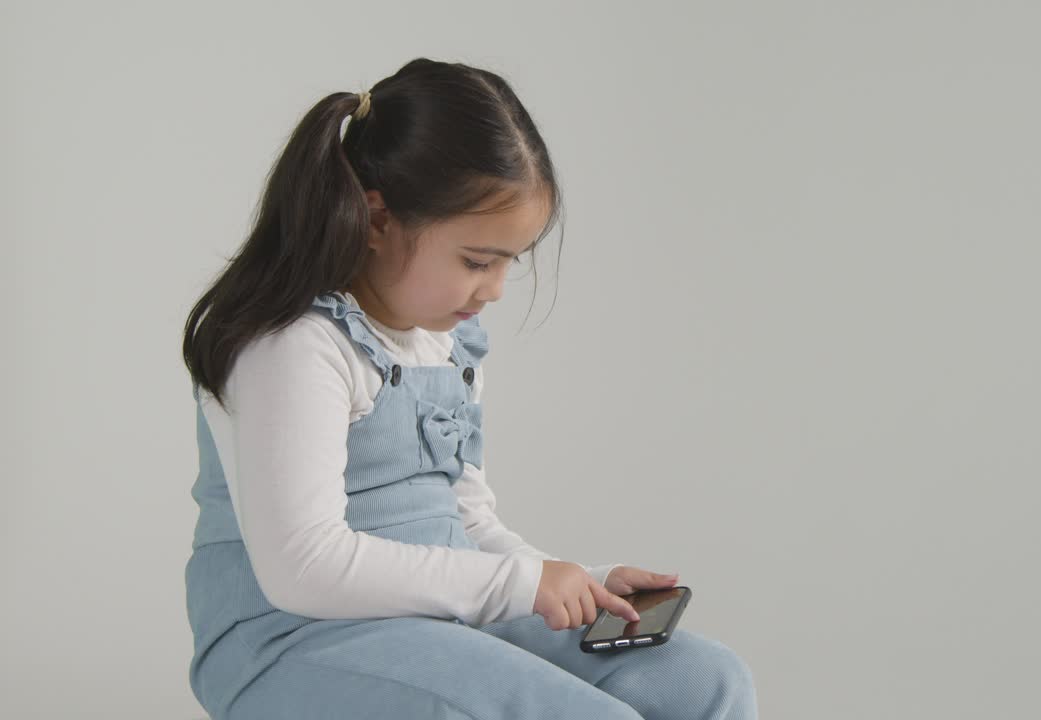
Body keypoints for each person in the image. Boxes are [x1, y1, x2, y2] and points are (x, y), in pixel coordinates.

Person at [180, 57, 758, 719]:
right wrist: (520, 585)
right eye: (477, 261)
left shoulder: (446, 344)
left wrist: (578, 584)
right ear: (377, 220)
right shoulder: (296, 346)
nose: (495, 289)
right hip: (291, 638)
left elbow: (468, 522)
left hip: (435, 615)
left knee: (708, 682)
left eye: (511, 261)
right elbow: (304, 567)